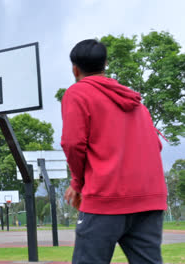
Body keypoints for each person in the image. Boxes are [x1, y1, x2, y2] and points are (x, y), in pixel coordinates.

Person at [61, 39, 167, 264]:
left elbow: (73, 143)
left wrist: (78, 184)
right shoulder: (136, 102)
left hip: (106, 196)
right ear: (105, 64)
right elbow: (156, 146)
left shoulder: (78, 93)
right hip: (150, 199)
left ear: (75, 68)